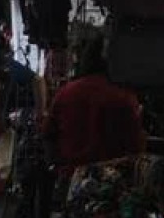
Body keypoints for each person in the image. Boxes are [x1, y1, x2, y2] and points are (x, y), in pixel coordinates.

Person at [45, 35, 146, 170]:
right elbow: (136, 150)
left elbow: (48, 136)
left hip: (68, 178)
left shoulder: (65, 93)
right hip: (111, 182)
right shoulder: (125, 97)